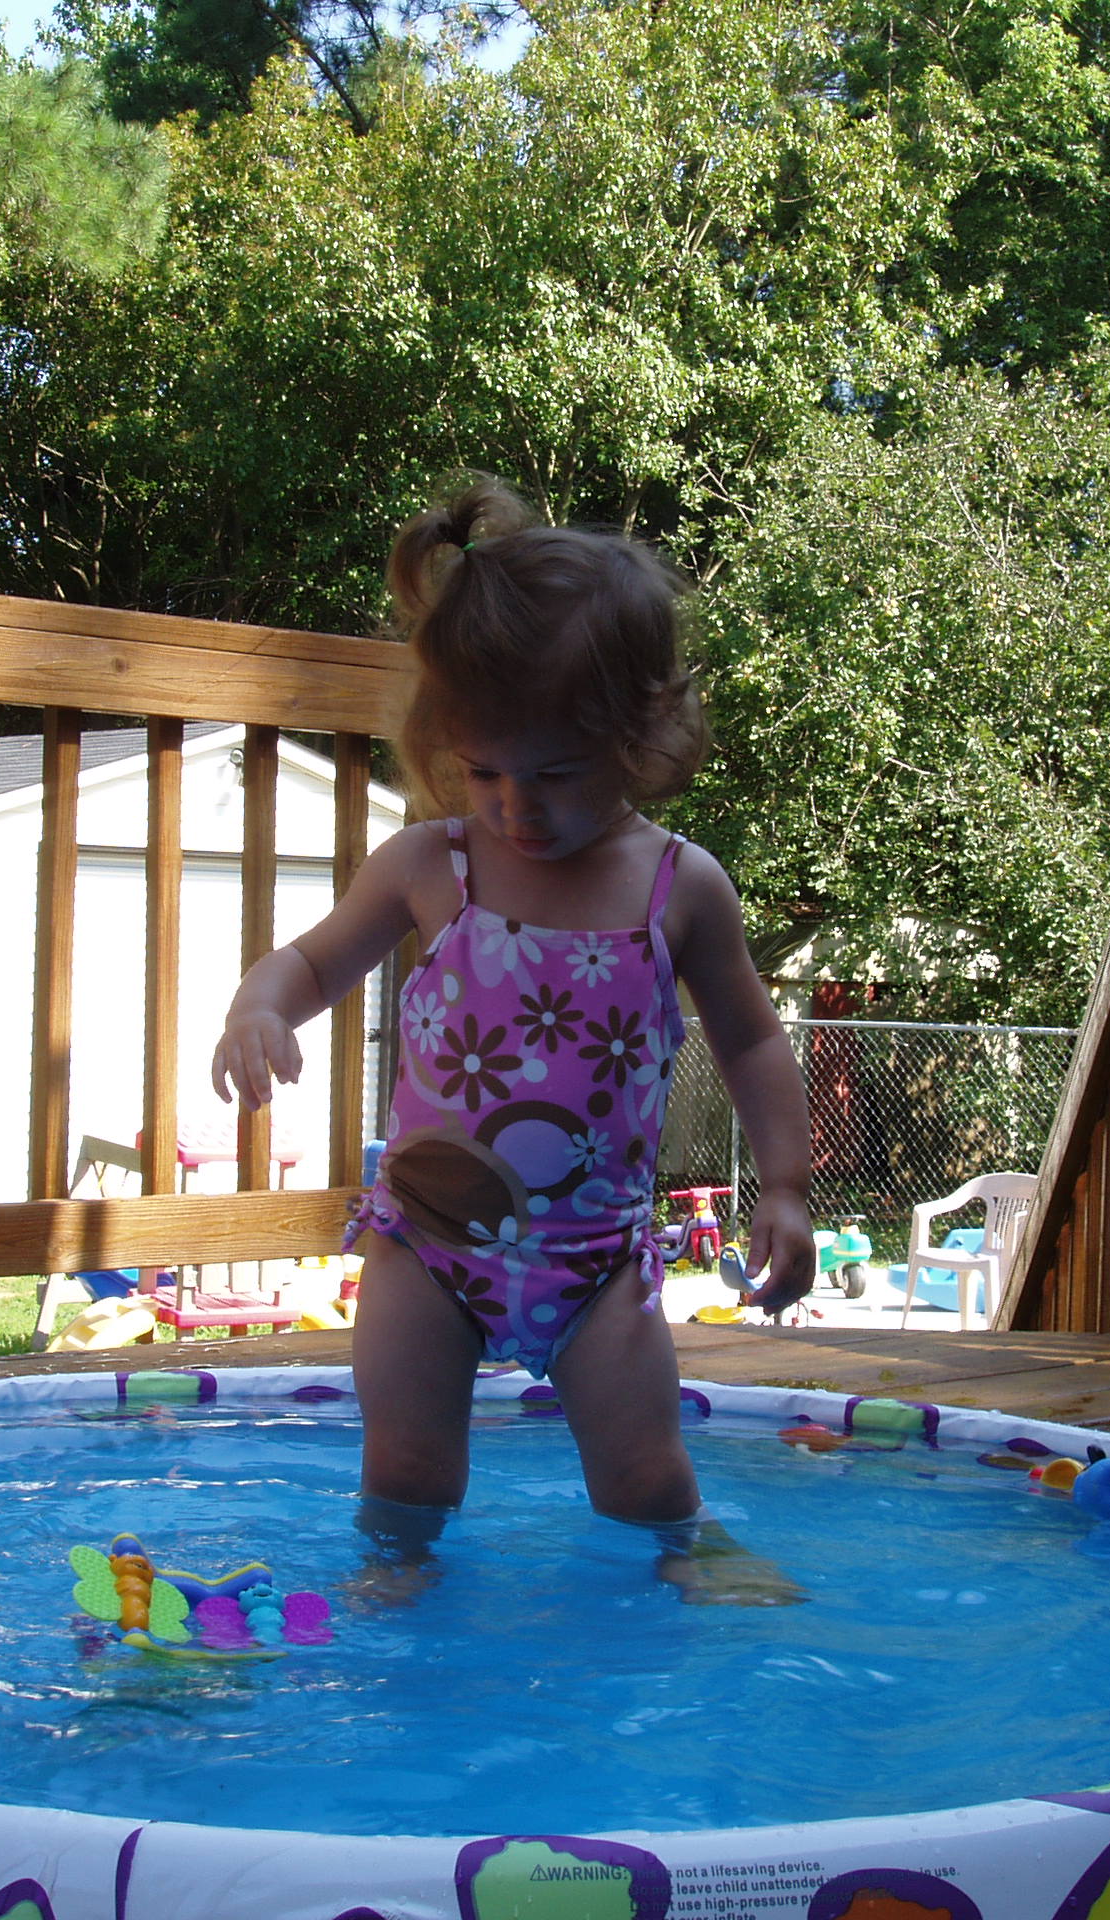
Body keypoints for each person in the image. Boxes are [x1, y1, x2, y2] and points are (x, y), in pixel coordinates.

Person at [210, 479, 813, 1597]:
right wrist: (260, 1007)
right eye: (484, 772)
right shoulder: (430, 866)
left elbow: (752, 1043)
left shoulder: (680, 887)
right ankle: (395, 1571)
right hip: (427, 1245)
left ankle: (691, 1558)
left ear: (640, 735)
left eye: (554, 774)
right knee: (408, 1464)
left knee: (643, 1472)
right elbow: (312, 961)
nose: (514, 807)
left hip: (596, 1264)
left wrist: (783, 1185)